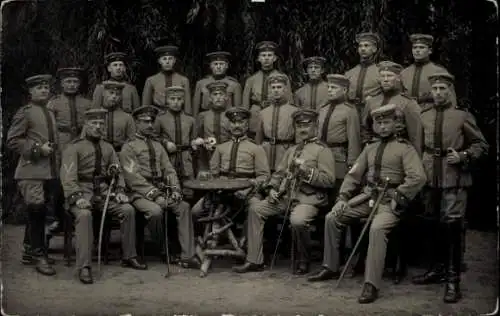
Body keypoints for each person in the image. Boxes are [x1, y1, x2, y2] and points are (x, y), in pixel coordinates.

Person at [307, 104, 426, 304]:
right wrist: (342, 197)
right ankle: (330, 267)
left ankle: (371, 283)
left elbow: (418, 178)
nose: (382, 127)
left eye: (386, 122)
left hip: (391, 201)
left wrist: (398, 195)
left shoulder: (405, 148)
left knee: (377, 229)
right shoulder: (369, 147)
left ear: (396, 124)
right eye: (378, 123)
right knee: (332, 217)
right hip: (368, 197)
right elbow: (354, 175)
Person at [411, 73, 488, 303]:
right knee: (432, 222)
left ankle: (453, 281)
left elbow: (481, 145)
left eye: (442, 88)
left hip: (453, 176)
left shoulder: (461, 116)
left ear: (450, 90)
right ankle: (437, 270)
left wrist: (464, 155)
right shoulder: (424, 116)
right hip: (429, 175)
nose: (438, 93)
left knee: (452, 226)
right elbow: (417, 146)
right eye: (434, 89)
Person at [233, 109, 336, 274]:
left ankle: (304, 259)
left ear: (315, 126)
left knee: (298, 221)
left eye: (306, 126)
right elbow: (279, 174)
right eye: (299, 126)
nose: (303, 129)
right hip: (286, 196)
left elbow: (329, 180)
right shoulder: (292, 150)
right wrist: (272, 188)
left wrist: (306, 172)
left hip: (308, 199)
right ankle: (254, 259)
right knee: (256, 209)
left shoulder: (322, 150)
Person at [60, 108, 147, 284]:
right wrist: (77, 198)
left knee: (128, 210)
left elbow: (118, 171)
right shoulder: (73, 147)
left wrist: (121, 191)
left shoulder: (108, 147)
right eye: (94, 123)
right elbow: (68, 177)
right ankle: (84, 266)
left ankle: (129, 255)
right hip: (82, 192)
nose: (98, 127)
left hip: (105, 193)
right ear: (86, 125)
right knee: (84, 216)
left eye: (101, 123)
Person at [120, 106, 200, 268]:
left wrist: (175, 189)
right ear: (136, 123)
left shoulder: (158, 145)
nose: (150, 125)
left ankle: (188, 255)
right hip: (138, 193)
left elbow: (168, 170)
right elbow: (132, 177)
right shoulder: (128, 147)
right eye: (145, 122)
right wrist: (154, 194)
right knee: (155, 211)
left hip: (162, 189)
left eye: (151, 121)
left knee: (183, 206)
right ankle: (164, 249)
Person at [6, 74, 63, 275]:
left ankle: (29, 252)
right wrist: (38, 149)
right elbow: (12, 140)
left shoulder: (48, 112)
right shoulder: (26, 113)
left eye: (47, 87)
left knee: (38, 212)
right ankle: (40, 256)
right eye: (39, 88)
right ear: (30, 92)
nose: (44, 90)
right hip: (31, 171)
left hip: (48, 172)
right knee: (37, 212)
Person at [191, 107, 270, 217]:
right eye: (233, 122)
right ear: (229, 125)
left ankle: (249, 234)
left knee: (255, 210)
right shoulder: (220, 148)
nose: (237, 126)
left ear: (246, 125)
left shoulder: (256, 149)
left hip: (247, 192)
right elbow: (214, 174)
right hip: (221, 191)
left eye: (240, 122)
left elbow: (264, 176)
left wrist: (250, 186)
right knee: (196, 211)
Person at [46, 67, 92, 235]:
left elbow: (91, 124)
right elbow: (50, 126)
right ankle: (57, 219)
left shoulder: (87, 103)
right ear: (62, 84)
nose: (72, 85)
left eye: (75, 82)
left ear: (79, 84)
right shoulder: (54, 102)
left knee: (81, 177)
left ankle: (79, 218)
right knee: (60, 181)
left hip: (81, 141)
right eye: (68, 82)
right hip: (61, 143)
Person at [362, 61, 423, 154]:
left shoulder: (408, 103)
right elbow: (365, 127)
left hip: (398, 151)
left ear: (398, 78)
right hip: (374, 150)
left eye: (390, 76)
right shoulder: (372, 101)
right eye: (382, 76)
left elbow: (416, 136)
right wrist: (367, 144)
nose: (385, 79)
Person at [318, 74, 361, 192]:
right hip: (321, 155)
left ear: (344, 90)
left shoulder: (349, 111)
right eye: (329, 87)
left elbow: (354, 140)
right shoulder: (323, 109)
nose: (330, 90)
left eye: (334, 88)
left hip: (338, 157)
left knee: (337, 188)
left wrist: (352, 164)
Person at [242, 41, 293, 138]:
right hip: (255, 116)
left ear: (274, 58)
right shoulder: (251, 79)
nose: (266, 58)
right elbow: (245, 105)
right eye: (263, 55)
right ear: (259, 59)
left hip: (276, 113)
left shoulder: (283, 77)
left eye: (269, 55)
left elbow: (289, 101)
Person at [255, 73, 299, 173]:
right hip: (266, 154)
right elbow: (258, 139)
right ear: (270, 90)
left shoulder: (295, 112)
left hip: (285, 154)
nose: (276, 90)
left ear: (285, 89)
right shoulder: (263, 113)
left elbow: (299, 140)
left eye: (279, 87)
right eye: (273, 87)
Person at [401, 34, 457, 107]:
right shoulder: (404, 73)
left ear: (430, 51)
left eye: (422, 47)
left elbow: (451, 98)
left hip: (431, 112)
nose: (417, 50)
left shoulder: (439, 71)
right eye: (414, 48)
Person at [154, 86, 196, 181]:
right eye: (172, 99)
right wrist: (165, 143)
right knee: (169, 186)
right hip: (168, 159)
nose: (176, 102)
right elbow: (154, 138)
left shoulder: (190, 120)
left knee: (189, 189)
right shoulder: (160, 119)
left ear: (183, 101)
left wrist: (194, 144)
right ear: (167, 100)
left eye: (179, 99)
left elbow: (193, 139)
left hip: (186, 161)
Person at [194, 81, 232, 173]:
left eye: (221, 94)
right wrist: (203, 142)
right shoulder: (203, 116)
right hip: (207, 155)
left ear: (226, 97)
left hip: (227, 155)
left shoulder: (230, 115)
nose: (218, 97)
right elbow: (197, 136)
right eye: (215, 94)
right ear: (210, 98)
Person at [142, 45, 192, 115]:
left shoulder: (183, 80)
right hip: (158, 115)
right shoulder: (151, 80)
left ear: (174, 61)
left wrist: (187, 118)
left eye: (170, 59)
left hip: (178, 116)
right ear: (159, 61)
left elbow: (187, 106)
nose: (167, 62)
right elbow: (146, 105)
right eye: (164, 59)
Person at [192, 51, 242, 117]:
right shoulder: (201, 83)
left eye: (221, 64)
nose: (218, 67)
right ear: (210, 66)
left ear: (226, 66)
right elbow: (195, 108)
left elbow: (237, 109)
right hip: (206, 119)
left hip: (227, 118)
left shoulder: (234, 85)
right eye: (215, 64)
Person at [345, 32, 383, 116]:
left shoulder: (380, 72)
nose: (362, 48)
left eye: (366, 45)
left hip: (372, 113)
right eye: (360, 46)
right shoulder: (349, 73)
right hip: (351, 113)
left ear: (374, 49)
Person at [100, 80, 136, 152]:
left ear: (121, 97)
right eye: (111, 93)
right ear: (104, 93)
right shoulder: (95, 115)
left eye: (117, 94)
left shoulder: (127, 117)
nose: (114, 96)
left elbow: (132, 141)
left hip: (120, 153)